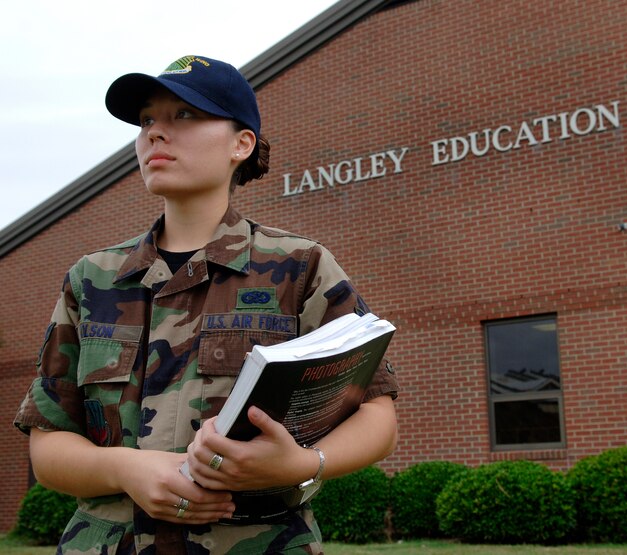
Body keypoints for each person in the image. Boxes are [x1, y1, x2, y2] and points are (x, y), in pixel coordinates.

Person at [14, 55, 399, 554]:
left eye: (185, 116)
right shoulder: (93, 279)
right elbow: (48, 445)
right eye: (147, 120)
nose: (155, 133)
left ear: (242, 144)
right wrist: (126, 469)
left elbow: (377, 417)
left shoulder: (300, 266)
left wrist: (306, 464)